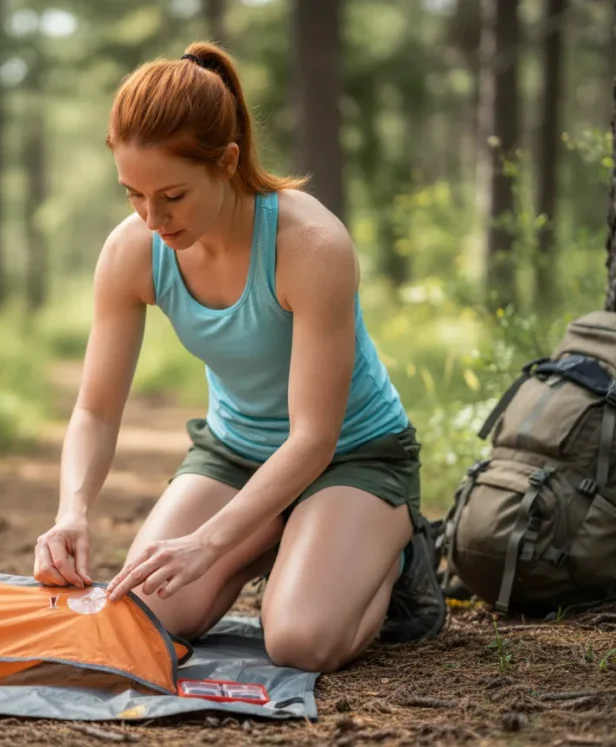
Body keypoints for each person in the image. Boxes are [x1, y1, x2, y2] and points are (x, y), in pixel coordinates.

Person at [33, 41, 446, 673]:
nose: (152, 217)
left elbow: (314, 438)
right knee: (142, 618)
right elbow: (95, 410)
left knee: (299, 641)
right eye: (133, 195)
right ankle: (280, 537)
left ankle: (394, 554)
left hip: (350, 457)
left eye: (172, 195)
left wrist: (210, 541)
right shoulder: (132, 251)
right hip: (235, 453)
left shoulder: (310, 245)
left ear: (227, 162)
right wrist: (72, 512)